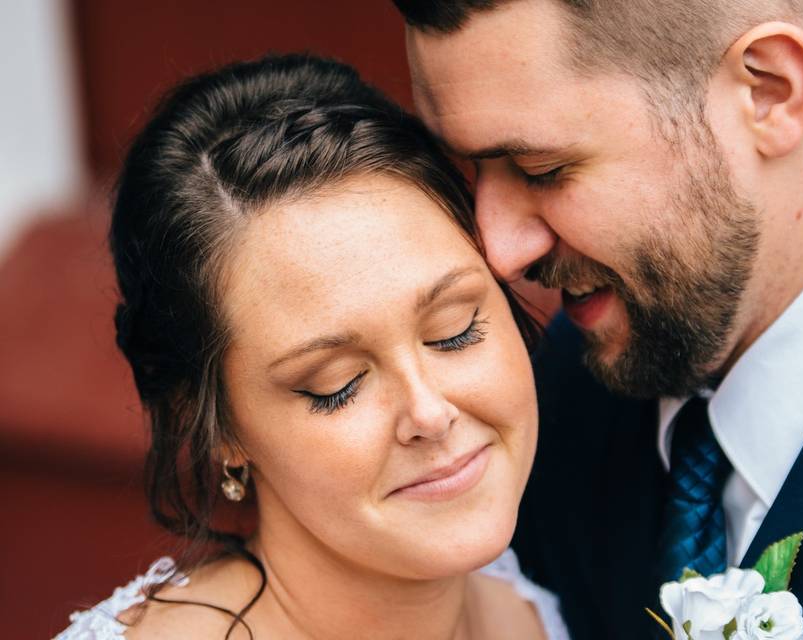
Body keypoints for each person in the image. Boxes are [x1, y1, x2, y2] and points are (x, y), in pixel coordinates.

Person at [395, 0, 803, 637]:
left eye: (541, 170)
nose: (499, 251)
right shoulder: (544, 402)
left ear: (770, 91)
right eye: (471, 170)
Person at [56, 54, 571, 640]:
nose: (429, 412)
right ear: (217, 425)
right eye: (336, 385)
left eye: (452, 330)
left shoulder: (534, 611)